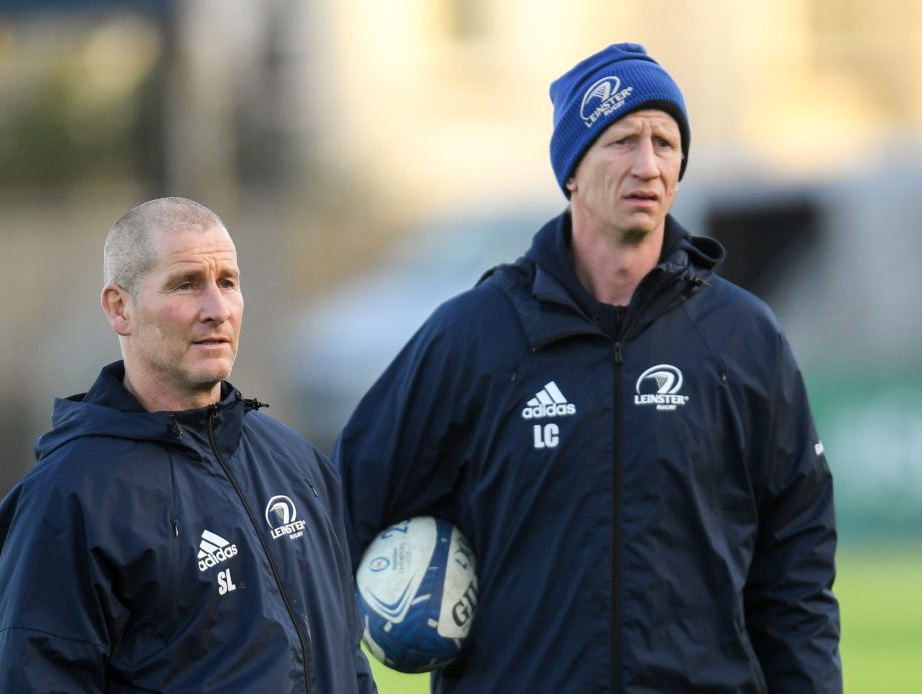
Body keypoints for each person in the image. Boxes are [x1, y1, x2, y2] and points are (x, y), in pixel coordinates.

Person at [334, 43, 841, 692]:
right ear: (572, 168)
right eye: (623, 140)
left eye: (665, 142)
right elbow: (335, 522)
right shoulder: (474, 336)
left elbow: (795, 569)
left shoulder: (743, 339)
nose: (648, 166)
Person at [0, 197, 376, 693]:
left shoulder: (297, 462)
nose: (216, 310)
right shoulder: (68, 497)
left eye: (228, 283)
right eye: (186, 284)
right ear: (119, 308)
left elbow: (349, 660)